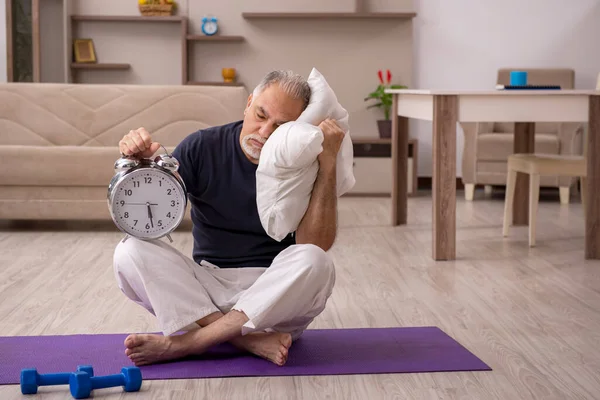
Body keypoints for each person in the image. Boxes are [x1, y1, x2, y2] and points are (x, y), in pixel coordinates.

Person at [113, 70, 346, 367]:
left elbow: (316, 244)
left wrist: (328, 163)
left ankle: (192, 342)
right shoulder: (202, 146)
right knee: (129, 251)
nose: (263, 132)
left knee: (317, 261)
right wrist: (141, 166)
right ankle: (243, 339)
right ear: (248, 104)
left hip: (274, 298)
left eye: (280, 126)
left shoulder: (305, 161)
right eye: (260, 115)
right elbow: (151, 217)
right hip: (207, 290)